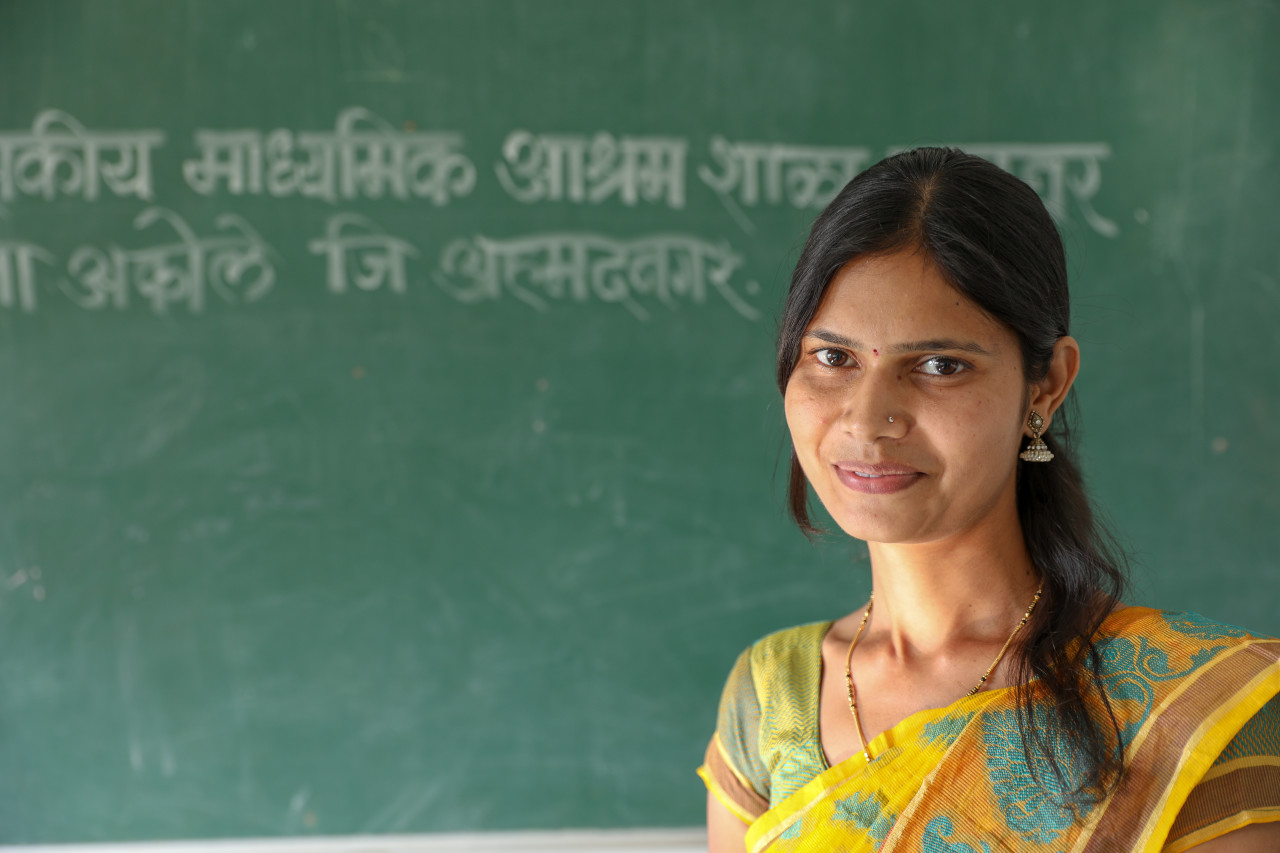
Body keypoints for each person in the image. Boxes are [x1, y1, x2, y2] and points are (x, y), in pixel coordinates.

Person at [698, 148, 1280, 852]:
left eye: (939, 365)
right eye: (833, 357)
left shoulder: (1196, 712)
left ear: (1045, 386)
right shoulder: (771, 699)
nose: (867, 417)